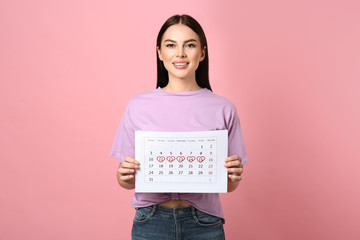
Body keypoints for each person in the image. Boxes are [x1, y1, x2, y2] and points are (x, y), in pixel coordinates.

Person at [110, 14, 248, 240]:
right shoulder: (138, 106)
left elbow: (229, 184)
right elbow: (125, 179)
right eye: (171, 45)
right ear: (159, 53)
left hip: (204, 221)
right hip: (151, 219)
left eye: (190, 45)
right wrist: (124, 176)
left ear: (202, 53)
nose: (180, 53)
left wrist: (234, 176)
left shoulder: (224, 108)